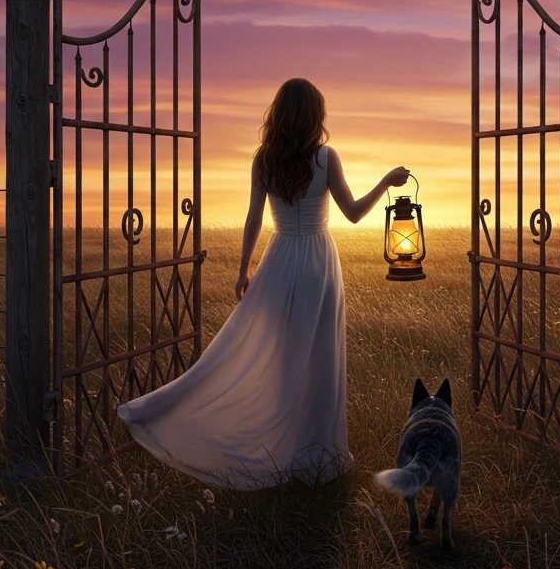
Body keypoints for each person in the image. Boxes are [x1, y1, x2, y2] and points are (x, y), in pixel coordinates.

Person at [116, 77, 410, 489]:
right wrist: (386, 180)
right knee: (320, 358)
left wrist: (243, 270)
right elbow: (355, 214)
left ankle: (279, 443)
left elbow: (254, 219)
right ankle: (316, 456)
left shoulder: (264, 159)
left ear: (279, 113)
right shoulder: (327, 157)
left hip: (279, 258)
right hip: (319, 263)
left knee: (282, 358)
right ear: (315, 115)